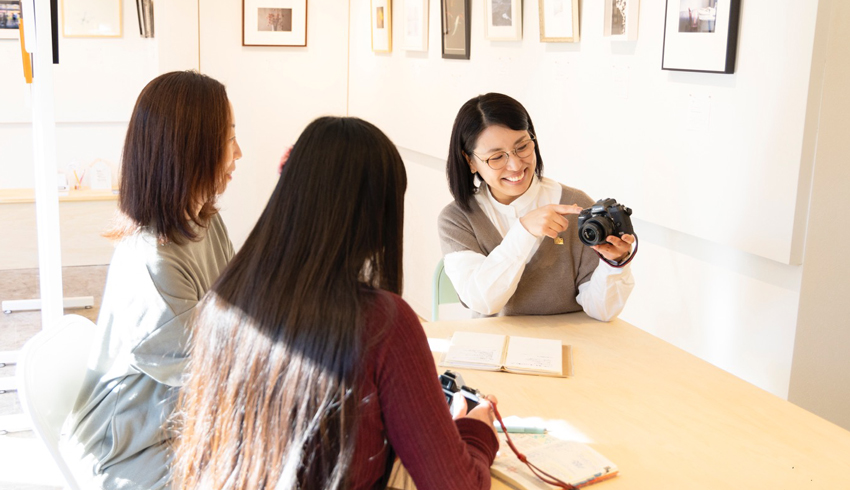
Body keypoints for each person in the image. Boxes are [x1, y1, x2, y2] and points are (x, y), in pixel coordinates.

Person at [171, 116, 499, 490]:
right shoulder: (382, 322)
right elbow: (456, 485)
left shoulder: (223, 303)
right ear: (378, 212)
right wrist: (476, 432)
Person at [62, 70, 242, 490]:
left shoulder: (204, 222)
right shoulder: (152, 262)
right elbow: (219, 372)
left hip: (180, 419)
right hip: (131, 448)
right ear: (192, 149)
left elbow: (239, 313)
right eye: (229, 138)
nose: (239, 153)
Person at [438, 93, 635, 320]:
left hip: (572, 342)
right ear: (470, 161)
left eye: (522, 147)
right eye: (496, 157)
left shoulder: (576, 205)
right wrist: (523, 231)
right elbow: (483, 302)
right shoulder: (456, 219)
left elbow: (602, 311)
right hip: (498, 348)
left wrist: (615, 264)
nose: (515, 164)